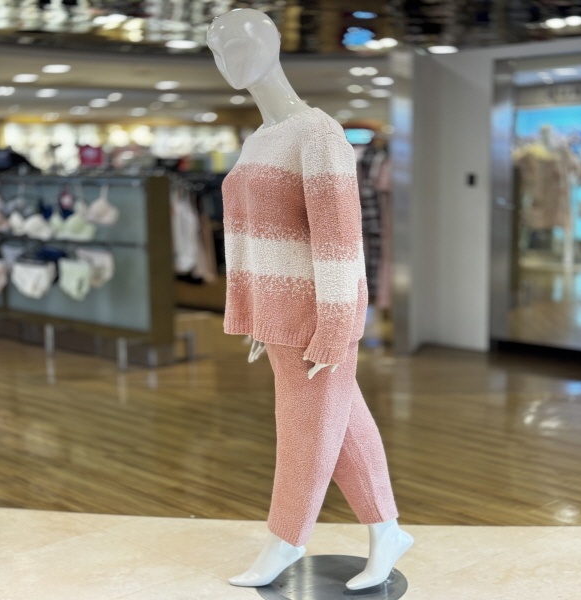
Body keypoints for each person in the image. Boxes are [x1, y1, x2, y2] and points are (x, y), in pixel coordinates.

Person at [207, 8, 413, 590]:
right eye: (217, 50)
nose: (227, 60)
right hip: (278, 313)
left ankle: (286, 539)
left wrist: (337, 326)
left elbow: (340, 239)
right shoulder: (260, 138)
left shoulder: (317, 133)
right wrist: (255, 309)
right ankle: (387, 531)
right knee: (342, 426)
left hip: (316, 314)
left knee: (302, 430)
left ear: (272, 42)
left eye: (238, 43)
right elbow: (255, 233)